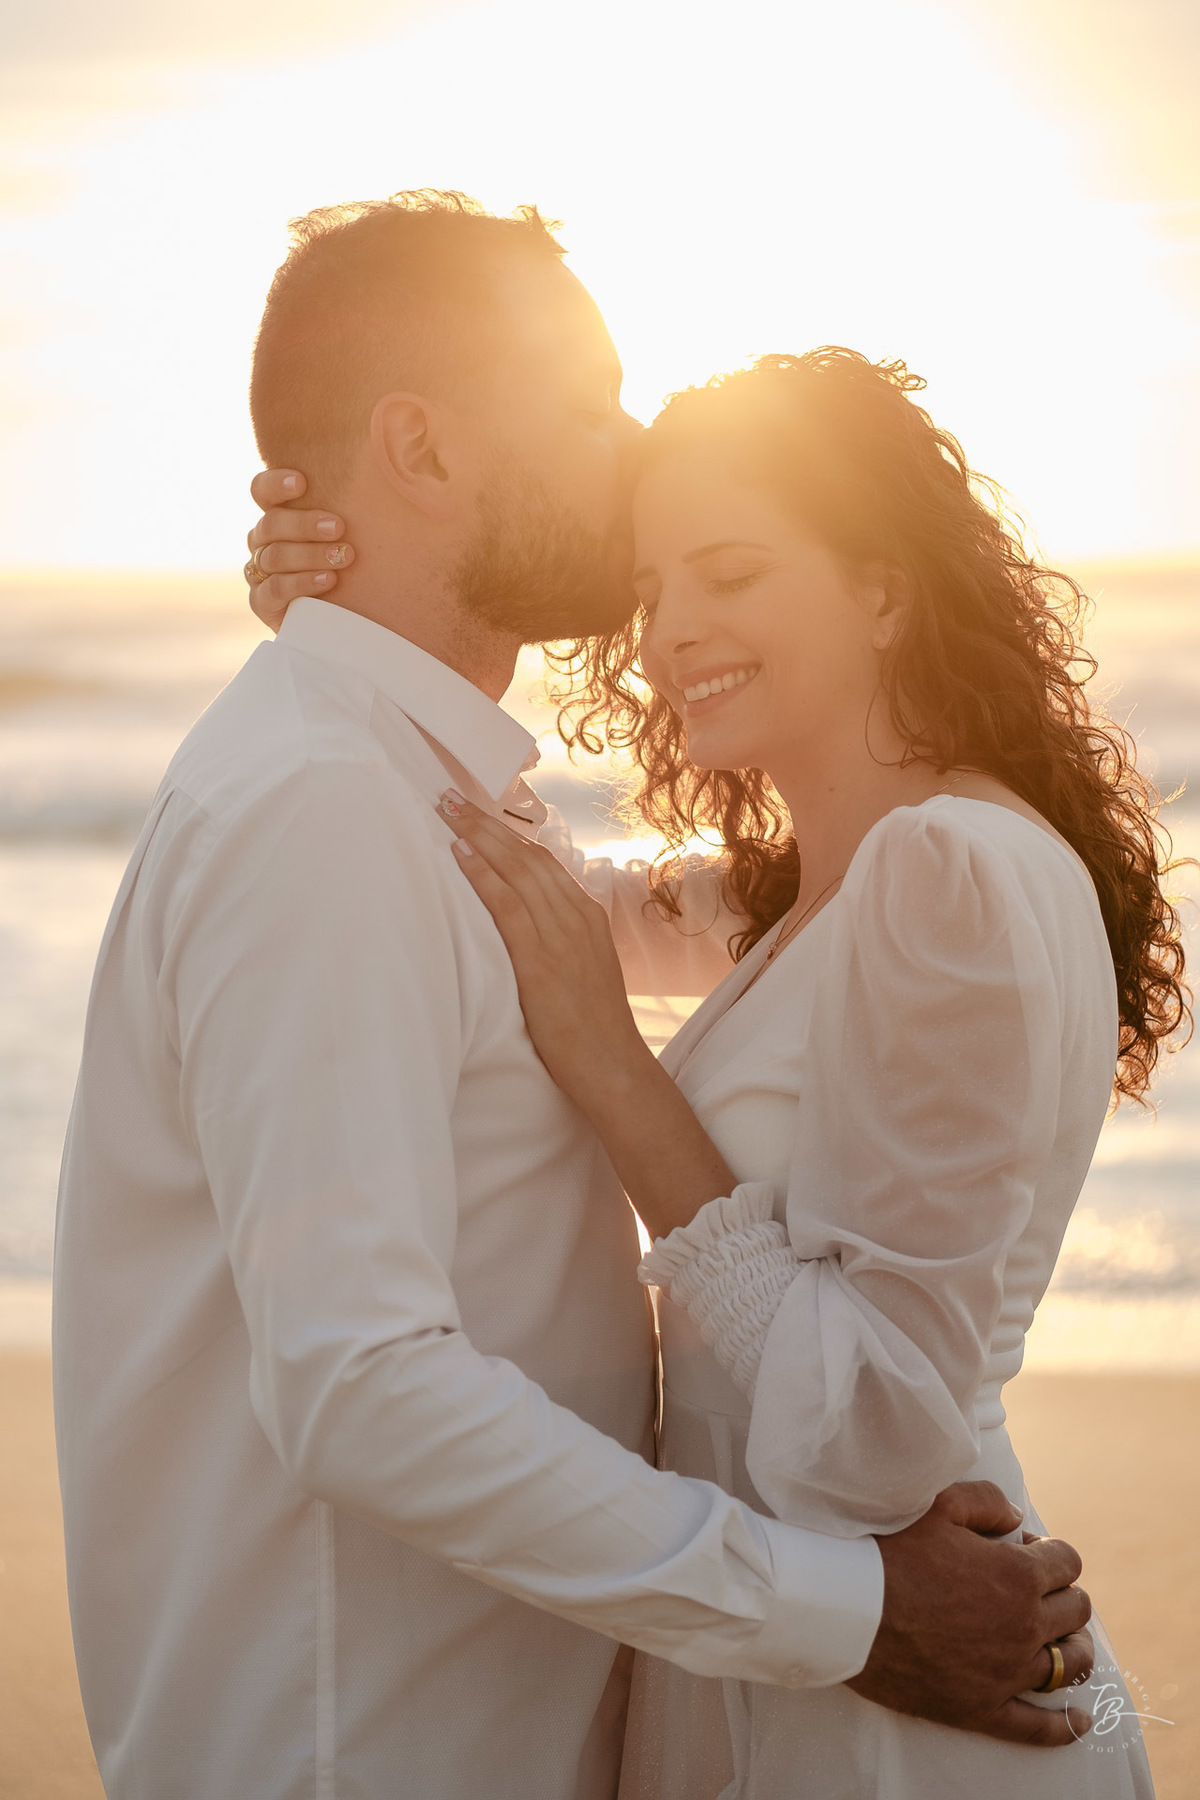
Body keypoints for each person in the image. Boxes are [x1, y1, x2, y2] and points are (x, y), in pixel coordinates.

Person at [53, 192, 1092, 1800]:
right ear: (423, 446)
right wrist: (845, 1609)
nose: (624, 452)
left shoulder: (420, 787)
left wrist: (348, 638)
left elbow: (673, 923)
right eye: (587, 405)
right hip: (372, 1754)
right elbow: (360, 1381)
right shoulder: (327, 803)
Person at [249, 331, 1186, 1797]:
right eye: (652, 585)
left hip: (903, 1711)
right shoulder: (829, 876)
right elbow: (541, 890)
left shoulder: (951, 871)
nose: (674, 628)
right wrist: (353, 624)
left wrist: (614, 1073)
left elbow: (882, 1435)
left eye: (732, 573)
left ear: (884, 587)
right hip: (798, 1657)